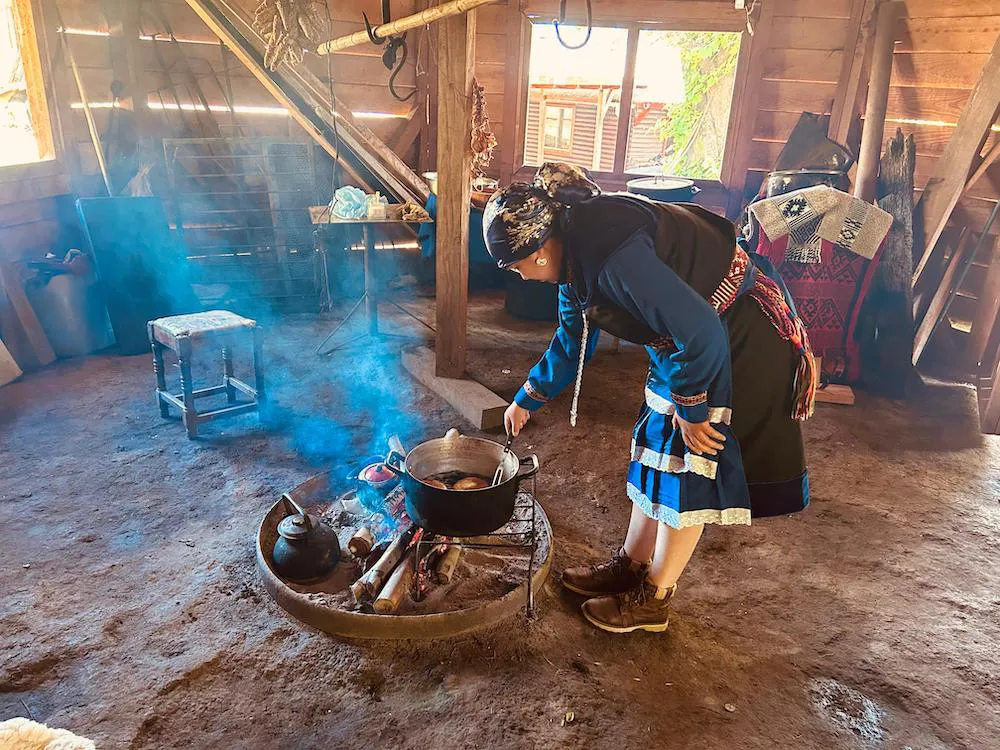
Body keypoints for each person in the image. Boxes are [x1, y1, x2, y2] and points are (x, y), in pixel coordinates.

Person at [483, 163, 817, 634]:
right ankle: (633, 565)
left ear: (539, 250)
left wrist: (693, 407)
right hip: (683, 339)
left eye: (516, 267)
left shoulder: (614, 257)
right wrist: (526, 399)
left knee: (686, 460)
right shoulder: (574, 260)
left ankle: (654, 599)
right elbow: (571, 338)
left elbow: (701, 333)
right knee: (655, 446)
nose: (518, 277)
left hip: (734, 332)